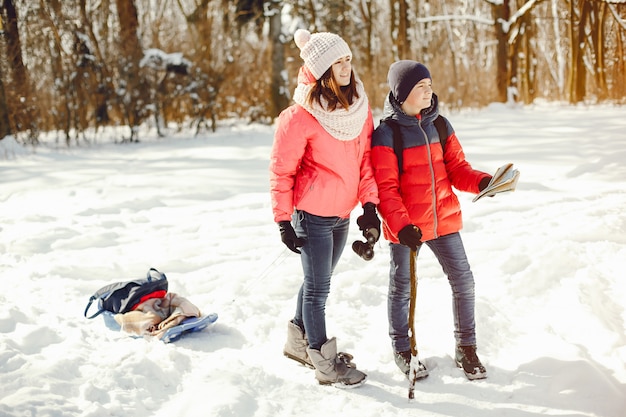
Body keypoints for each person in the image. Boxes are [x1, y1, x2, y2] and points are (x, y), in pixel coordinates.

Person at [269, 29, 381, 387]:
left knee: (316, 281)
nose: (346, 67)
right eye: (337, 61)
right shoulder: (298, 117)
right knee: (318, 291)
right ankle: (323, 361)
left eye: (348, 59)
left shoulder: (359, 109)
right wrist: (284, 220)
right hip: (311, 216)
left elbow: (366, 162)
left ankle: (297, 342)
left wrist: (369, 206)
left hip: (342, 214)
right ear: (320, 68)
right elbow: (281, 171)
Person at [370, 60, 491, 381]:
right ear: (402, 92)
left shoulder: (441, 125)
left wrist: (482, 182)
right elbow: (386, 189)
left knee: (463, 282)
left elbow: (458, 169)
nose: (429, 90)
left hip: (444, 221)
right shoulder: (387, 134)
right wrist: (401, 226)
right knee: (402, 288)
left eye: (429, 84)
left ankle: (466, 346)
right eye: (421, 86)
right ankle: (402, 349)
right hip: (407, 228)